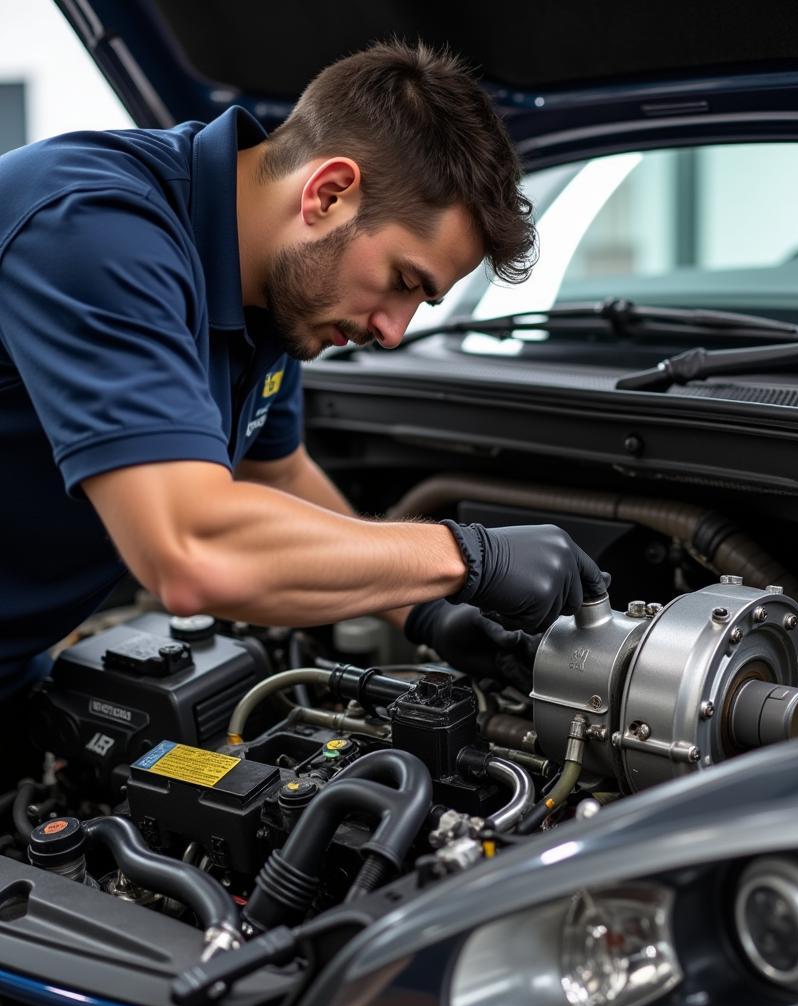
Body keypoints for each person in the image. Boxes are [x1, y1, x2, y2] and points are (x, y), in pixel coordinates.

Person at [0, 42, 607, 697]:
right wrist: (465, 557)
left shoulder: (270, 288)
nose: (392, 331)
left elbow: (278, 474)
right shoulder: (91, 226)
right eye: (403, 281)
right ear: (329, 193)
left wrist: (428, 614)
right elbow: (188, 552)